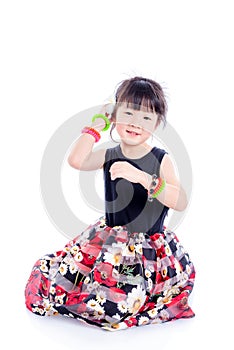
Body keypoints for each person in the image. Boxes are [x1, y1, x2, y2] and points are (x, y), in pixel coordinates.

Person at [25, 76, 195, 331]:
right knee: (65, 281)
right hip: (110, 243)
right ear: (115, 115)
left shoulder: (161, 159)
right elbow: (77, 160)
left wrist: (142, 178)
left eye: (146, 118)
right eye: (128, 113)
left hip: (146, 250)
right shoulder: (110, 153)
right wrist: (97, 125)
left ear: (157, 123)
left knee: (117, 306)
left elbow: (180, 201)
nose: (136, 123)